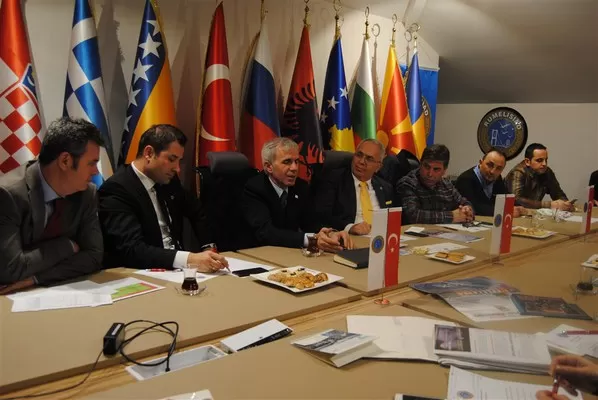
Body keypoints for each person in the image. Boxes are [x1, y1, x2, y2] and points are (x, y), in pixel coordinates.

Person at [98, 125, 227, 272]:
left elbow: (196, 209)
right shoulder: (117, 189)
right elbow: (132, 249)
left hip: (179, 270)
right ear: (149, 153)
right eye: (172, 159)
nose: (177, 168)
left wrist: (208, 247)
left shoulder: (168, 180)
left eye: (179, 161)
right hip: (143, 271)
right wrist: (189, 259)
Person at [0, 117, 104, 294]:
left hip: (45, 291)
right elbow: (10, 270)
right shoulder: (9, 194)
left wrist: (36, 278)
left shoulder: (87, 194)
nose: (96, 172)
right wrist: (67, 246)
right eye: (92, 163)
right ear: (65, 161)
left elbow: (93, 256)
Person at [242, 137, 353, 252]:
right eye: (287, 162)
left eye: (297, 161)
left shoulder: (300, 187)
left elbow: (312, 222)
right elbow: (266, 233)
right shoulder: (254, 188)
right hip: (257, 252)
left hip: (289, 252)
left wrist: (330, 234)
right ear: (269, 167)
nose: (294, 168)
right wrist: (312, 240)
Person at [314, 139, 393, 235]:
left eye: (369, 159)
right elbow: (320, 218)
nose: (361, 161)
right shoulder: (333, 180)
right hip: (349, 238)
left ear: (378, 167)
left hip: (380, 238)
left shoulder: (386, 187)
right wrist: (350, 227)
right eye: (359, 155)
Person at [396, 144, 474, 225]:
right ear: (420, 164)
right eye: (426, 167)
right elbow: (413, 215)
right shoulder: (407, 183)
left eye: (436, 169)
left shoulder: (446, 184)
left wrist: (467, 210)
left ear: (444, 171)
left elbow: (464, 202)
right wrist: (452, 216)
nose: (430, 174)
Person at [455, 148, 526, 217]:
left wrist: (518, 207)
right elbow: (473, 207)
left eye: (498, 168)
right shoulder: (465, 179)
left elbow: (505, 196)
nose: (492, 171)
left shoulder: (497, 178)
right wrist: (505, 211)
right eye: (490, 165)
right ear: (480, 162)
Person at [505, 143, 573, 210]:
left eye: (546, 160)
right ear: (527, 161)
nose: (544, 164)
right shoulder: (518, 172)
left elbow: (558, 194)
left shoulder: (547, 172)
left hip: (532, 213)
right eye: (539, 160)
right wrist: (548, 204)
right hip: (512, 213)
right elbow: (516, 200)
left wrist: (565, 204)